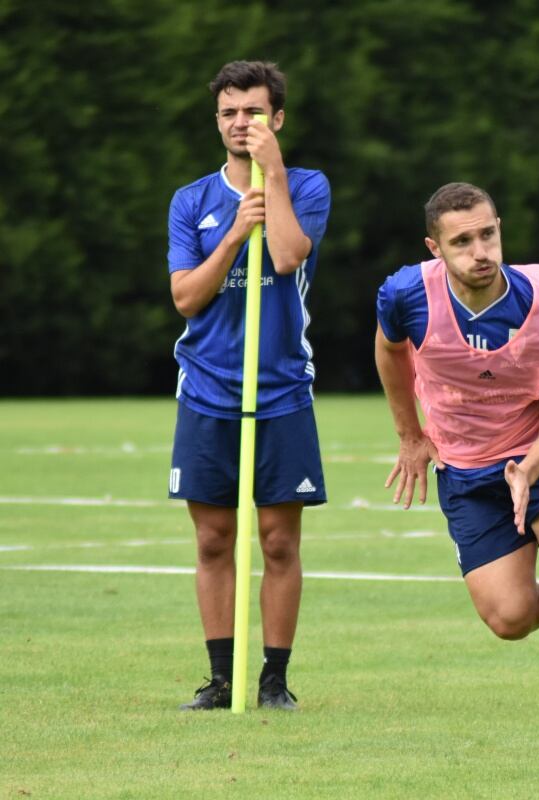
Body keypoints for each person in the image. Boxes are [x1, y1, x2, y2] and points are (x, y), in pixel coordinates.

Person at [374, 182, 539, 758]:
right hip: (465, 472)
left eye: (488, 233)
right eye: (462, 241)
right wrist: (410, 435)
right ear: (434, 248)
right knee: (510, 620)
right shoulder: (404, 295)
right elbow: (389, 352)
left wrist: (527, 469)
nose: (481, 251)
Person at [167, 61, 331, 711]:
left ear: (277, 118)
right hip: (208, 389)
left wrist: (278, 178)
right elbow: (185, 297)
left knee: (278, 540)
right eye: (231, 113)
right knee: (212, 539)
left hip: (282, 391)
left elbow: (290, 255)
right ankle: (220, 678)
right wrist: (236, 231)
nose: (242, 123)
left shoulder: (307, 185)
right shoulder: (191, 201)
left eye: (254, 112)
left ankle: (274, 680)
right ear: (217, 121)